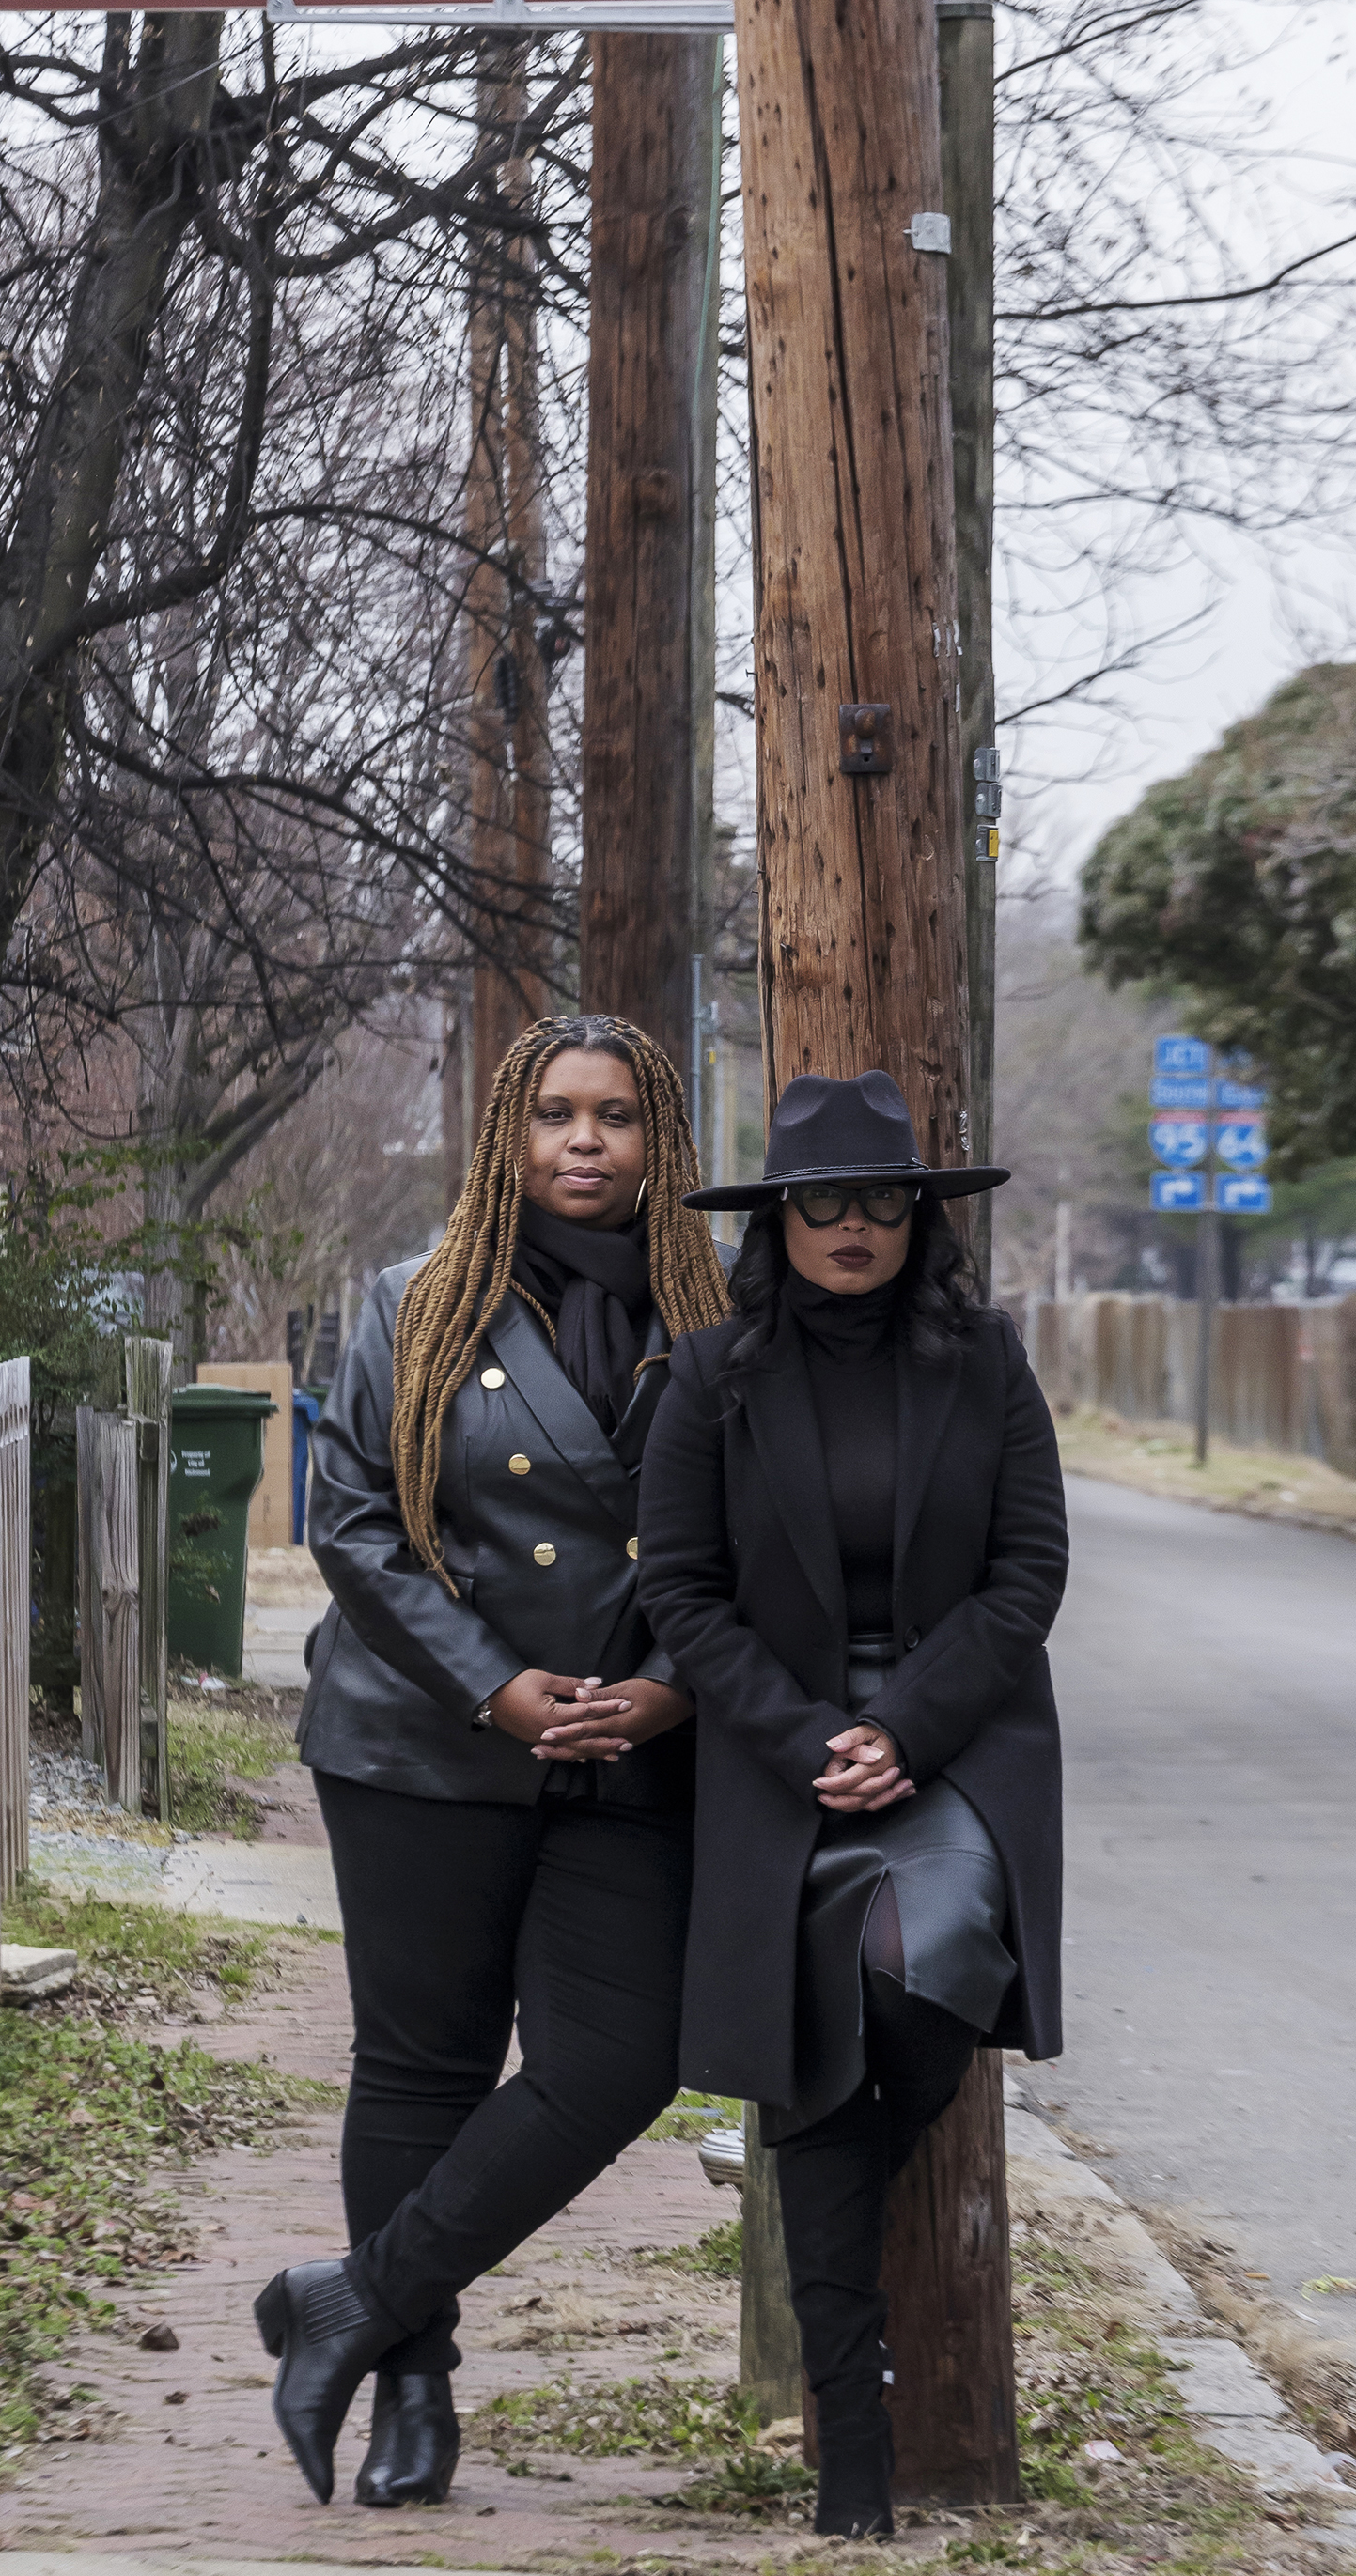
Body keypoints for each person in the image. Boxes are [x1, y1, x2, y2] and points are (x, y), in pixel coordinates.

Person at [580, 1067, 1068, 2540]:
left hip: (955, 1740)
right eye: (823, 1202)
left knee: (920, 1973)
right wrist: (812, 1740)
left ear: (920, 1218)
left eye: (883, 1201)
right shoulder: (709, 1379)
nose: (855, 1226)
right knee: (823, 2031)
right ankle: (853, 2435)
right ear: (778, 1220)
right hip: (774, 1754)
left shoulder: (987, 1361)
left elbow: (1028, 1574)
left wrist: (904, 1730)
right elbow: (683, 1593)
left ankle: (808, 2165)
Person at [257, 1014, 731, 2510]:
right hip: (425, 1732)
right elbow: (352, 1522)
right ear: (506, 1136)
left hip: (634, 1740)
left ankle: (349, 2298)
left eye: (616, 1115)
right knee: (425, 2063)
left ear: (660, 1139)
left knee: (620, 2058)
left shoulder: (717, 1310)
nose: (585, 1141)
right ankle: (412, 2387)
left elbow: (763, 1534)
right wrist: (496, 1689)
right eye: (555, 1114)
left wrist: (668, 1693)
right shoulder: (419, 1300)